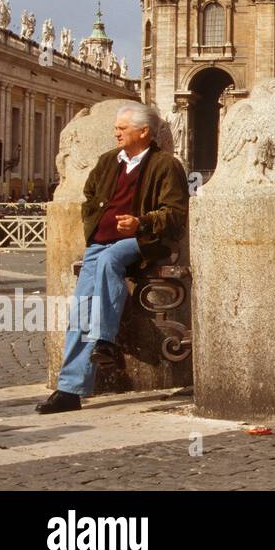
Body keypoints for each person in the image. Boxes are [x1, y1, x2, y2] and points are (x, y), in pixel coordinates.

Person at [35, 102, 189, 414]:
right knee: (81, 308)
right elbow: (90, 196)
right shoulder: (107, 161)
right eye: (116, 128)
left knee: (109, 262)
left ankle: (105, 339)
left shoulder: (165, 164)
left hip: (142, 242)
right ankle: (69, 390)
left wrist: (141, 222)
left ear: (143, 132)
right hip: (100, 243)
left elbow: (175, 215)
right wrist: (95, 223)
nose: (116, 133)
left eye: (122, 129)